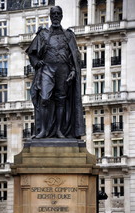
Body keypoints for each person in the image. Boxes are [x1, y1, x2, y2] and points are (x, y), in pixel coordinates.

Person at [26, 6, 85, 139]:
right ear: (50, 16)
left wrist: (74, 71)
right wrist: (36, 63)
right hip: (47, 69)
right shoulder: (43, 34)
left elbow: (75, 56)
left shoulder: (68, 35)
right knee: (45, 98)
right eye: (54, 14)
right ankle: (43, 130)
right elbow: (31, 53)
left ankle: (59, 130)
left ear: (62, 16)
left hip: (63, 70)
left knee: (61, 100)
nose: (56, 16)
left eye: (58, 14)